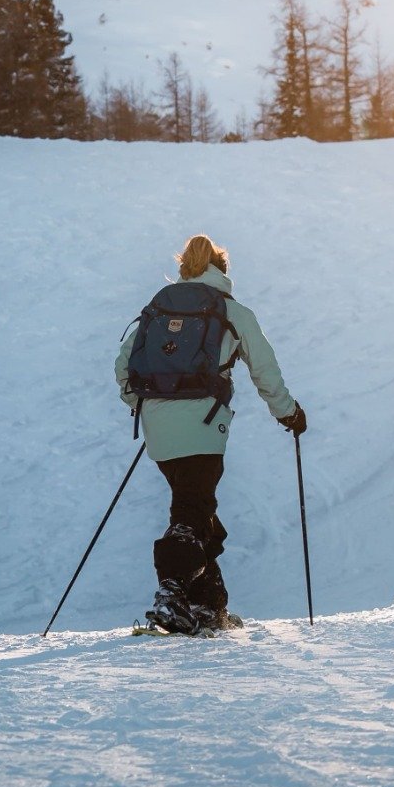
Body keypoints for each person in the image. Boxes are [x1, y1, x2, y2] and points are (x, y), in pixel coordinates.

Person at [114, 233, 305, 634]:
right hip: (203, 425)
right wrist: (288, 414)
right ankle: (171, 596)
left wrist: (146, 406)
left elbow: (123, 364)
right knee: (190, 513)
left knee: (198, 510)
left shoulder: (158, 307)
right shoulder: (230, 311)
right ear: (222, 269)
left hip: (159, 432)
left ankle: (208, 606)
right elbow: (264, 370)